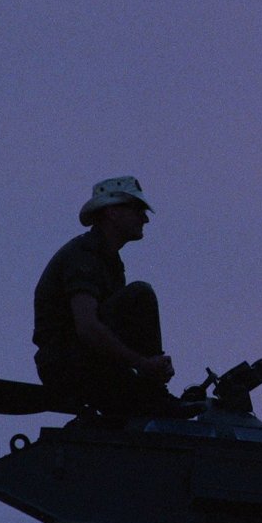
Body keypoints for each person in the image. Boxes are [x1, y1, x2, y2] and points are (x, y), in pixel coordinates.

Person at [33, 176, 195, 418]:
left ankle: (150, 395)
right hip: (67, 365)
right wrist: (143, 365)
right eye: (138, 210)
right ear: (112, 212)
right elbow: (88, 328)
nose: (145, 219)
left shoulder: (109, 260)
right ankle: (154, 394)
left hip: (86, 362)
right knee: (140, 295)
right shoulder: (84, 256)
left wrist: (150, 365)